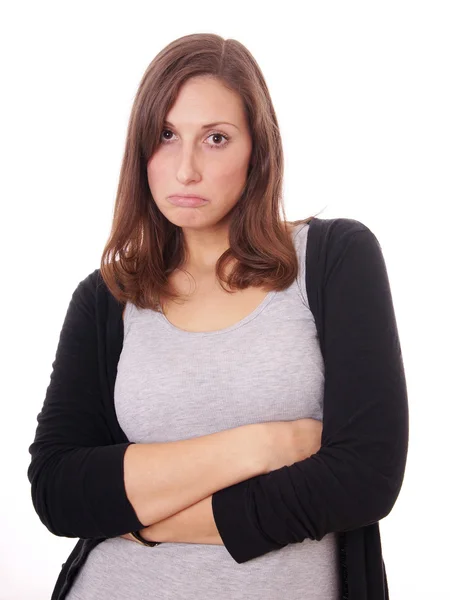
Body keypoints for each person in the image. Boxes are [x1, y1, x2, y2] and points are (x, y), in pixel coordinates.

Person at [28, 33, 408, 600]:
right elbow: (58, 490)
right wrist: (264, 446)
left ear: (257, 149)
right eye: (165, 135)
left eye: (215, 138)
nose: (185, 169)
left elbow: (365, 479)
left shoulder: (335, 260)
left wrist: (142, 518)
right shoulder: (107, 298)